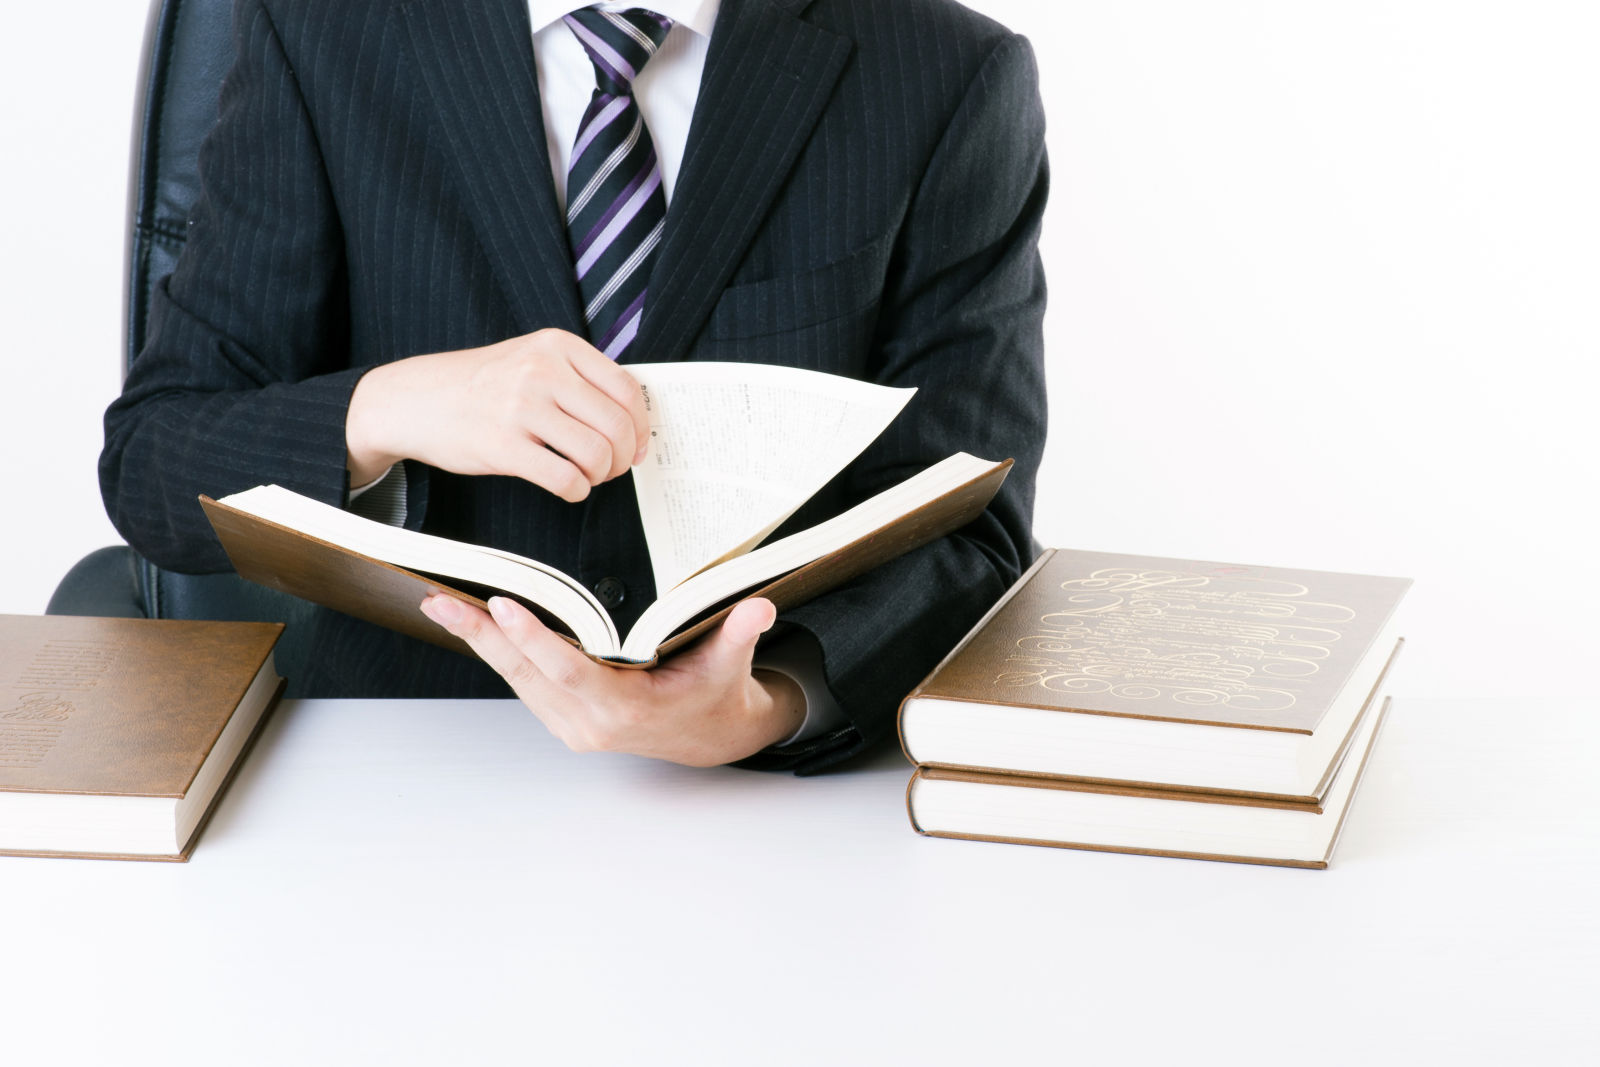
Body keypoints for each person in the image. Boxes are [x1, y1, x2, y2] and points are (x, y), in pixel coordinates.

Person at [99, 0, 1048, 773]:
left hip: (769, 806)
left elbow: (978, 532)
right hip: (403, 780)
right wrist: (393, 406)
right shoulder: (325, 29)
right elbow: (153, 462)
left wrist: (772, 703)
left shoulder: (946, 76)